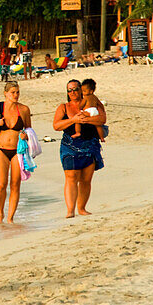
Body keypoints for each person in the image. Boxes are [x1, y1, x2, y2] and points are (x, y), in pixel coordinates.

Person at [52, 79, 106, 218]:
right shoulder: (63, 107)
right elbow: (56, 126)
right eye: (69, 90)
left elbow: (102, 119)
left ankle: (82, 208)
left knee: (86, 179)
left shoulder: (92, 102)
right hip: (69, 145)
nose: (72, 92)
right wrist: (73, 120)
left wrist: (85, 120)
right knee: (71, 177)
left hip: (90, 144)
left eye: (75, 89)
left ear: (81, 90)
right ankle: (70, 210)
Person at [0, 81, 31, 223]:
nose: (16, 95)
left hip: (18, 150)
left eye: (17, 92)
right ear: (5, 93)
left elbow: (29, 130)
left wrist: (26, 135)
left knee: (15, 184)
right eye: (13, 92)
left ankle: (10, 218)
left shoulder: (23, 109)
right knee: (1, 184)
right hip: (1, 149)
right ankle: (0, 213)